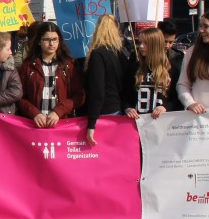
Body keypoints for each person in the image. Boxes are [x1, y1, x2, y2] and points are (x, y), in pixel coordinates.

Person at [17, 21, 84, 127]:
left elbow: (79, 96)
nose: (51, 44)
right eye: (47, 39)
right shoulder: (28, 66)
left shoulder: (69, 65)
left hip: (62, 124)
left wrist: (59, 111)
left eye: (55, 39)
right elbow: (19, 96)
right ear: (39, 41)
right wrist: (34, 113)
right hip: (33, 125)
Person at [83, 15, 128, 145]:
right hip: (119, 109)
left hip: (104, 112)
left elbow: (97, 90)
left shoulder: (98, 54)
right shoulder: (121, 54)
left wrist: (92, 123)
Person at [124, 27, 180, 120]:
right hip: (138, 123)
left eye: (145, 43)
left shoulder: (171, 70)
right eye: (140, 42)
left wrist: (165, 107)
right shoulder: (134, 68)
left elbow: (177, 99)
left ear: (156, 45)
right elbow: (125, 96)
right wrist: (127, 108)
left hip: (162, 124)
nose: (141, 46)